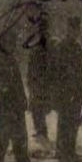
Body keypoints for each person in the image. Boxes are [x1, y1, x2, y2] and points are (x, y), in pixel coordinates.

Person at [0, 23, 40, 162]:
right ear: (2, 42)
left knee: (21, 140)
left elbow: (18, 83)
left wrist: (23, 100)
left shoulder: (11, 59)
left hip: (16, 107)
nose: (14, 45)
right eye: (11, 41)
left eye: (14, 41)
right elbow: (1, 88)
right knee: (2, 141)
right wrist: (10, 105)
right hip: (5, 107)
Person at [49, 15, 82, 162]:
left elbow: (80, 70)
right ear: (68, 29)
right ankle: (61, 151)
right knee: (64, 122)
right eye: (73, 29)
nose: (75, 32)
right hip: (64, 91)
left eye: (77, 29)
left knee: (74, 122)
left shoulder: (77, 47)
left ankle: (70, 150)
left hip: (76, 90)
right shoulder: (62, 47)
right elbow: (56, 71)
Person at [26, 14, 49, 143]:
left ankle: (42, 132)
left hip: (42, 83)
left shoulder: (46, 46)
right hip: (37, 83)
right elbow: (31, 67)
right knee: (37, 108)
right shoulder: (36, 48)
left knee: (39, 108)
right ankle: (41, 131)